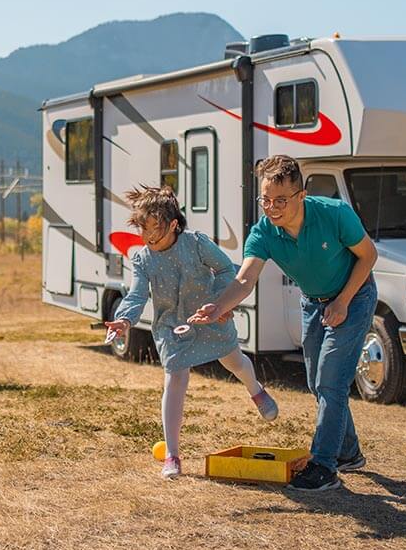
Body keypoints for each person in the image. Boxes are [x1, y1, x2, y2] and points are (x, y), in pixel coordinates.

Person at [190, 155, 378, 492]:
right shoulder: (264, 232)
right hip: (313, 302)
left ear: (301, 195)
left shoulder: (334, 214)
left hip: (355, 296)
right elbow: (245, 280)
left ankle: (324, 465)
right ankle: (347, 451)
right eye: (265, 199)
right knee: (316, 381)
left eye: (280, 200)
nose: (271, 207)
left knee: (331, 380)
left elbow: (369, 255)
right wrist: (217, 307)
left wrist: (343, 301)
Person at [105, 186, 280, 479]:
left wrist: (220, 301)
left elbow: (227, 269)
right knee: (175, 378)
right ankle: (172, 456)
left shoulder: (196, 244)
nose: (148, 239)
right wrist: (124, 320)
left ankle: (256, 391)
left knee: (234, 362)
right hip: (171, 326)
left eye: (155, 232)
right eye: (143, 231)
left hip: (210, 314)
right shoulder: (143, 259)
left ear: (173, 225)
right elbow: (136, 296)